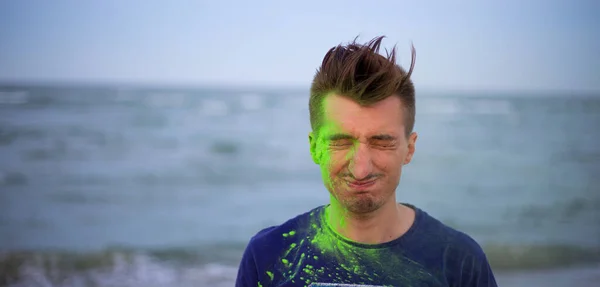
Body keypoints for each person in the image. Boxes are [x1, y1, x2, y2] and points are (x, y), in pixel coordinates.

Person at [235, 35, 498, 287]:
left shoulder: (460, 262)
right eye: (340, 141)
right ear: (314, 147)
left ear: (410, 148)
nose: (361, 168)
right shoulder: (269, 256)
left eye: (382, 142)